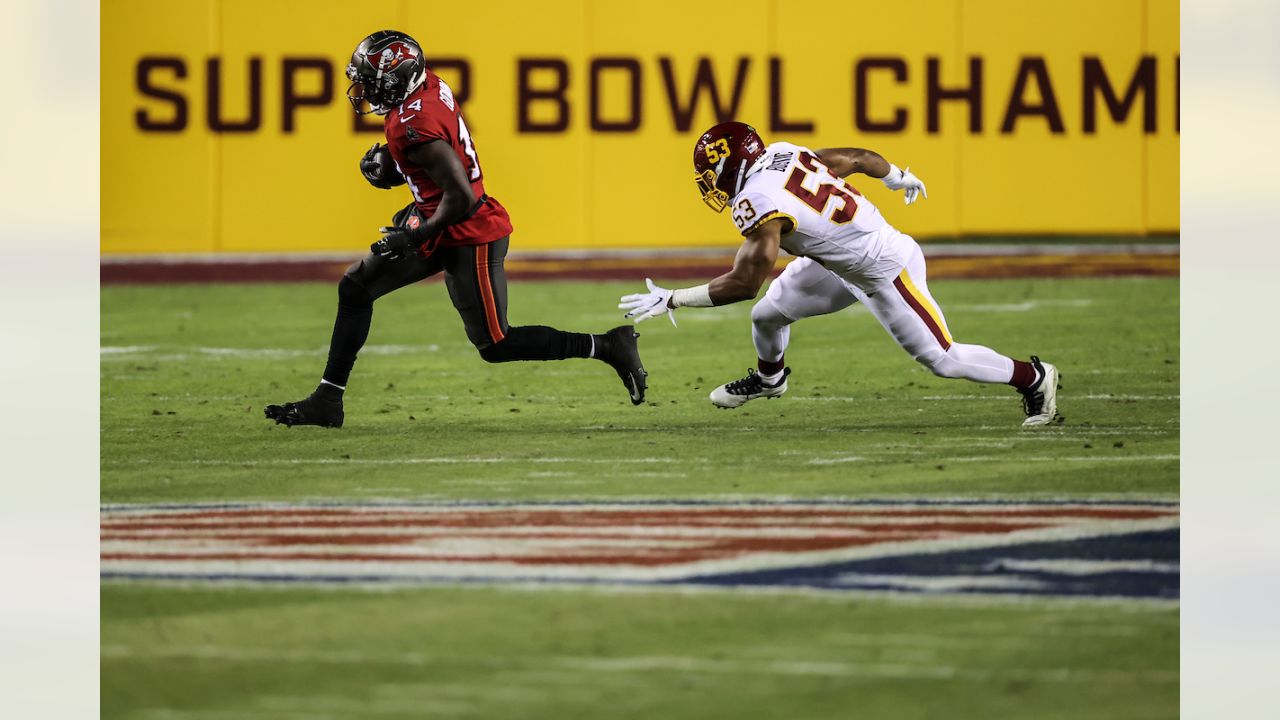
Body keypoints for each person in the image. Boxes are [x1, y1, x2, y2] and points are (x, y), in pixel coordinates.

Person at [265, 30, 646, 428]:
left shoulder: (412, 124)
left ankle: (608, 346)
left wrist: (414, 234)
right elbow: (438, 157)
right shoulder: (426, 85)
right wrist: (394, 167)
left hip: (468, 230)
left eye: (370, 81)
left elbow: (461, 195)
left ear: (396, 79)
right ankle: (328, 399)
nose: (362, 89)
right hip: (437, 217)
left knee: (496, 344)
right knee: (357, 286)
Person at [618, 121, 1059, 426]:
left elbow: (746, 282)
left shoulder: (755, 201)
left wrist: (674, 298)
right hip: (839, 264)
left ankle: (1034, 378)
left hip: (885, 269)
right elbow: (859, 157)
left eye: (710, 173)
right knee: (768, 318)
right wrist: (899, 177)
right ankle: (770, 380)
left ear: (732, 165)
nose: (708, 183)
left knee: (943, 359)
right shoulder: (780, 153)